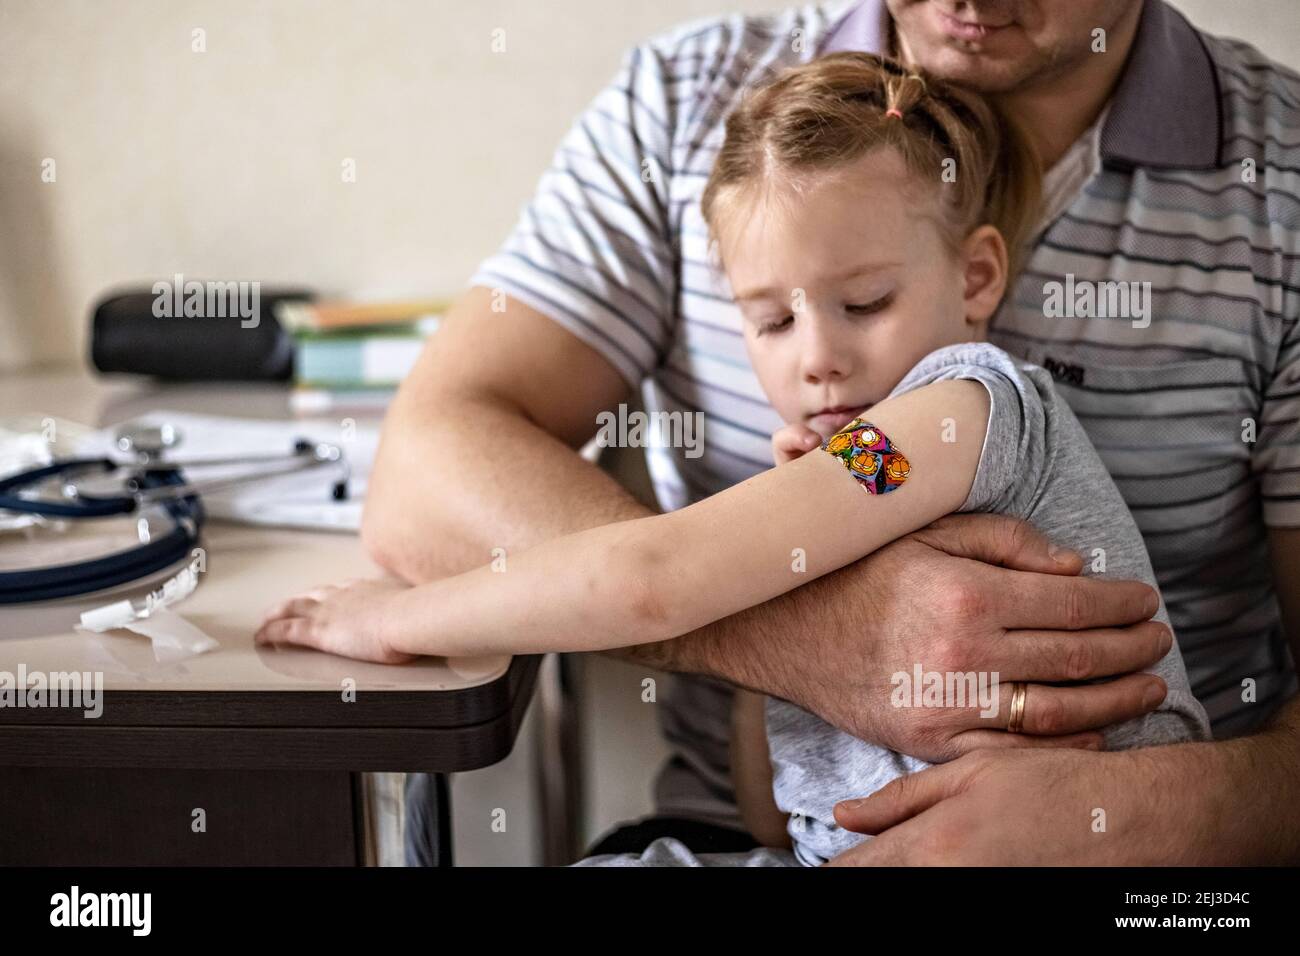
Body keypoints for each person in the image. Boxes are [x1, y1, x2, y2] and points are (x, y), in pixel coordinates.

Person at [330, 0, 1300, 864]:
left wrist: (387, 621)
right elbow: (772, 810)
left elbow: (648, 577)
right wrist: (800, 619)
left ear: (975, 278)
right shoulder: (682, 105)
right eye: (770, 321)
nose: (818, 360)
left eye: (867, 300)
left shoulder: (948, 417)